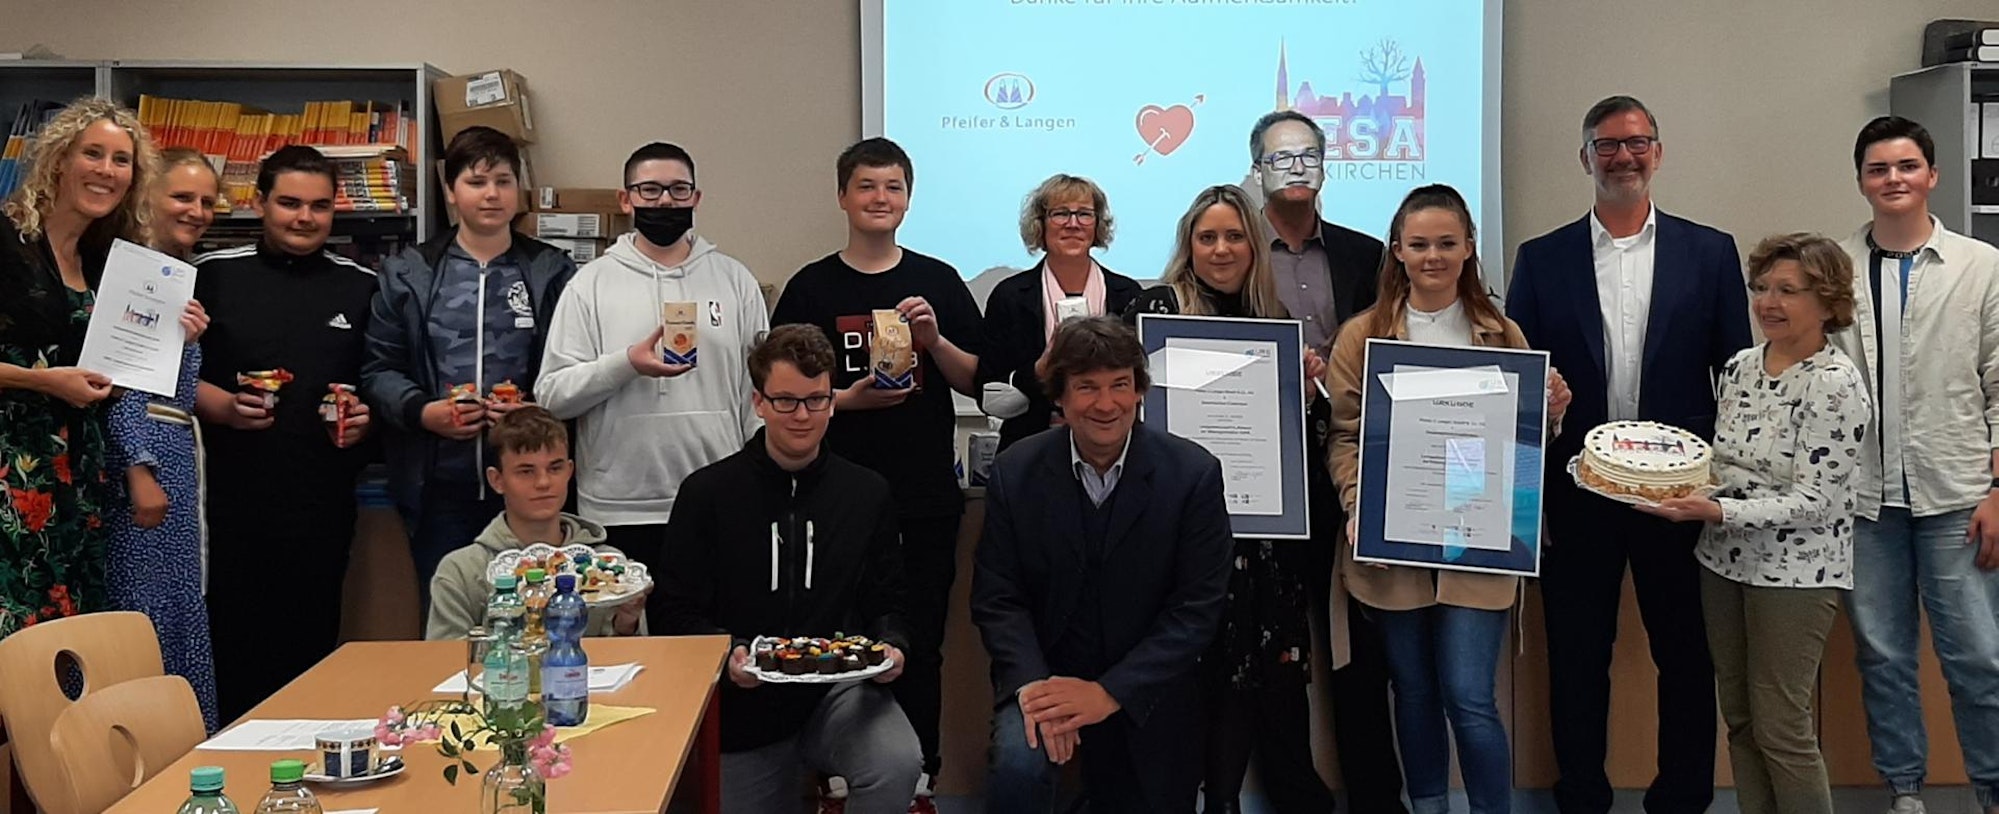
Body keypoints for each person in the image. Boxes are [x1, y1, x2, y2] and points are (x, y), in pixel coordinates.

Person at [1504, 95, 1749, 814]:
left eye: (1636, 143)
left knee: (1685, 654)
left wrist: (1723, 489)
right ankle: (1580, 795)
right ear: (1584, 159)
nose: (1623, 157)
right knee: (1578, 658)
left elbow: (1734, 374)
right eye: (1606, 146)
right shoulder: (1540, 258)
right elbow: (1523, 377)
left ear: (1658, 153)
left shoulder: (1708, 251)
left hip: (1679, 499)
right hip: (1578, 495)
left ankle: (1681, 797)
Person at [1329, 184, 1571, 814]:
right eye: (1418, 244)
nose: (1432, 256)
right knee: (1411, 691)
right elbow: (1344, 437)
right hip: (1395, 543)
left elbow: (1522, 447)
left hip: (1480, 539)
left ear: (1468, 248)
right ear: (1397, 251)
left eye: (1446, 243)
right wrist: (1361, 507)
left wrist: (1547, 419)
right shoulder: (1362, 337)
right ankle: (1430, 807)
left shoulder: (1502, 332)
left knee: (1468, 695)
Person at [770, 137, 982, 808]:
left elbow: (978, 381)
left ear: (908, 198)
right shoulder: (811, 286)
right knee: (829, 633)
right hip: (829, 499)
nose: (879, 199)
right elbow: (781, 391)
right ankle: (830, 774)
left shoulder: (938, 280)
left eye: (891, 187)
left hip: (922, 498)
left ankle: (920, 775)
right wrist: (848, 400)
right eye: (866, 187)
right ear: (842, 197)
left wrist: (932, 341)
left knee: (918, 642)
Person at [1635, 233, 1868, 814]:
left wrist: (1715, 508)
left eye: (1788, 290)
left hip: (1797, 575)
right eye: (1761, 287)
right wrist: (1667, 476)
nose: (1768, 302)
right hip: (1722, 561)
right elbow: (1726, 461)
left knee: (1783, 728)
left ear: (1828, 299)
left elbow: (1814, 499)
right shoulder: (1740, 365)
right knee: (1740, 721)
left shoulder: (1835, 383)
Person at [1121, 183, 1336, 812]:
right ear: (1188, 244)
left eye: (1235, 235)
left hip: (1259, 540)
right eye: (1207, 236)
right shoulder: (1153, 310)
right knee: (1186, 678)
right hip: (1175, 534)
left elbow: (1298, 442)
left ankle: (1224, 802)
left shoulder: (1272, 327)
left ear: (1254, 245)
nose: (1221, 248)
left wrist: (1303, 394)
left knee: (1249, 677)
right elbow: (1117, 405)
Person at [650, 324, 919, 814]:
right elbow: (674, 610)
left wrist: (893, 646)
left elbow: (889, 599)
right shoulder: (707, 494)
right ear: (758, 403)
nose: (802, 416)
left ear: (832, 401)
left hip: (837, 691)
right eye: (786, 401)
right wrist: (729, 656)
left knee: (897, 761)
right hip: (742, 706)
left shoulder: (866, 493)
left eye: (816, 400)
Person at [973, 316, 1233, 812]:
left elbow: (1197, 609)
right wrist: (1035, 687)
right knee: (1016, 766)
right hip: (1045, 676)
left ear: (1139, 392)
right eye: (1087, 387)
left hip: (1147, 684)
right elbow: (998, 597)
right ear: (1060, 397)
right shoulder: (1015, 472)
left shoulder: (1193, 475)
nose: (1106, 403)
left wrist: (1110, 692)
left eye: (1120, 385)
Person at [1826, 116, 1999, 814]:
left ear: (1930, 174)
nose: (1892, 178)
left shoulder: (1980, 265)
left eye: (1905, 166)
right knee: (1883, 659)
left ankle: (1990, 790)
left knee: (1978, 660)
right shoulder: (1831, 268)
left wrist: (1996, 488)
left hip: (1957, 494)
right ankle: (1903, 791)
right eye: (1877, 168)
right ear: (1861, 180)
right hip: (1865, 504)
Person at [1251, 108, 1407, 814]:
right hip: (1257, 473)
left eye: (1307, 155)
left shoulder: (1364, 253)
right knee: (1274, 649)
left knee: (1356, 650)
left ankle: (1375, 796)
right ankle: (1292, 798)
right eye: (1278, 157)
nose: (1294, 168)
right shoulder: (1230, 247)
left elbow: (1396, 355)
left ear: (1325, 164)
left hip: (1346, 468)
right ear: (1256, 167)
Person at [193, 145, 377, 720]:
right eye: (290, 203)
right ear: (258, 202)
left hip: (320, 502)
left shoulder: (364, 286)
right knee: (231, 650)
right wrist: (219, 406)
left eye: (320, 207)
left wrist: (366, 417)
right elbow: (160, 377)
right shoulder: (211, 275)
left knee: (310, 650)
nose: (305, 218)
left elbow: (381, 379)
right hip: (223, 503)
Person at [363, 125, 578, 599]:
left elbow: (574, 368)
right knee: (451, 619)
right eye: (476, 182)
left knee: (539, 615)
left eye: (503, 181)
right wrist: (422, 410)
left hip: (532, 487)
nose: (491, 194)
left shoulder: (552, 271)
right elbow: (378, 369)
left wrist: (533, 410)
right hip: (439, 485)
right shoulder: (408, 273)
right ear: (450, 192)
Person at [534, 141, 766, 572]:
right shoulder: (590, 284)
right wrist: (626, 364)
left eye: (679, 190)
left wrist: (756, 482)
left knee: (708, 636)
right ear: (626, 199)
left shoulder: (735, 280)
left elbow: (759, 396)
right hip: (617, 509)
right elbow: (551, 397)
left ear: (696, 198)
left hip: (718, 498)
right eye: (650, 190)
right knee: (626, 637)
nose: (665, 201)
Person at [0, 98, 160, 639]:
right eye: (92, 154)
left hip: (78, 475)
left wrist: (171, 331)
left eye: (121, 161)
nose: (106, 171)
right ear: (58, 160)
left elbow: (112, 367)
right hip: (12, 472)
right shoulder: (6, 241)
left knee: (66, 642)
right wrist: (40, 381)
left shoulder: (105, 260)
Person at [105, 145, 219, 731]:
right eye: (182, 196)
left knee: (178, 609)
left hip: (175, 454)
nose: (197, 210)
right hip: (146, 457)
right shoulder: (134, 273)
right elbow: (119, 380)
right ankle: (141, 749)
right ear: (145, 194)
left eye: (207, 201)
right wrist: (138, 467)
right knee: (143, 614)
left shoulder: (174, 275)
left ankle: (183, 747)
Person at [425, 406, 641, 641]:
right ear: (497, 480)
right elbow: (443, 663)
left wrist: (626, 625)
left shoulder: (607, 564)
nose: (543, 482)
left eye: (555, 468)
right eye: (526, 471)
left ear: (570, 471)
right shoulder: (461, 571)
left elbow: (638, 664)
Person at [975, 174, 1141, 451]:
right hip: (1031, 450)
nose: (1073, 224)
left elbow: (1141, 384)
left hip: (1117, 449)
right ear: (1040, 224)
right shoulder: (1010, 297)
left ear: (1098, 225)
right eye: (1060, 214)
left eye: (1085, 214)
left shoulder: (1127, 295)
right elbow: (987, 396)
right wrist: (1040, 369)